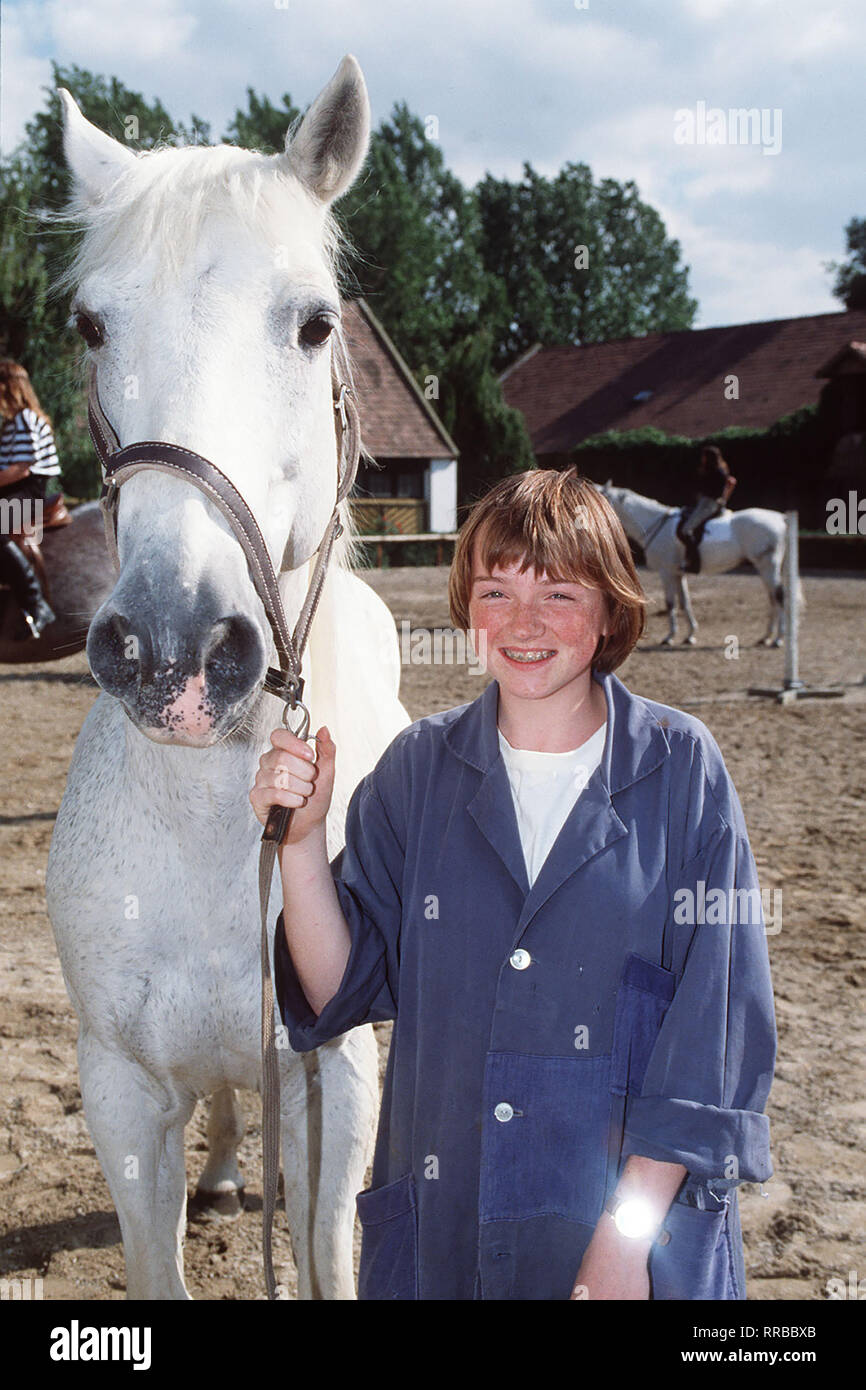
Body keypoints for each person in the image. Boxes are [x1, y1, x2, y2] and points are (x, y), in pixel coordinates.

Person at [249, 467, 776, 1301]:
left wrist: (624, 1244)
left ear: (610, 612)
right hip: (443, 1237)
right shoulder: (416, 770)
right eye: (496, 592)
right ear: (467, 612)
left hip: (634, 1254)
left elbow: (715, 1039)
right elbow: (336, 986)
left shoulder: (686, 773)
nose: (524, 624)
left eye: (560, 594)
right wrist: (305, 846)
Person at [0, 360, 60, 638]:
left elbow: (22, 467)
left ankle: (36, 604)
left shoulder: (25, 419)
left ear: (8, 388)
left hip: (28, 490)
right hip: (13, 487)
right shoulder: (14, 422)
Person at [677, 445, 737, 575]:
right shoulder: (720, 469)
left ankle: (694, 563)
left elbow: (721, 487)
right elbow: (732, 482)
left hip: (708, 504)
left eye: (704, 456)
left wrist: (721, 499)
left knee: (686, 530)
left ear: (708, 458)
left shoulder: (714, 472)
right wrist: (723, 499)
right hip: (708, 502)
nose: (702, 458)